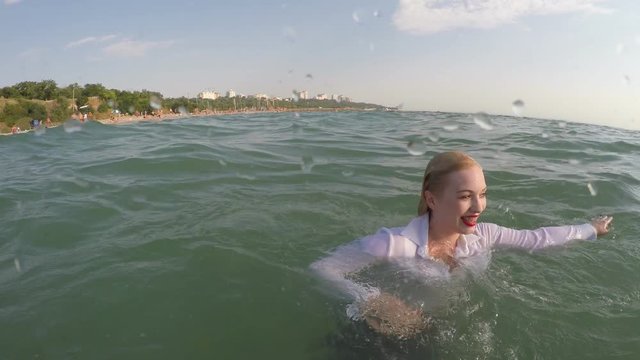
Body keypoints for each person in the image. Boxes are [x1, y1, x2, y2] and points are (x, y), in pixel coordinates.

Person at [310, 151, 613, 338]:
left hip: (433, 332)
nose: (478, 206)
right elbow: (322, 269)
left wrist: (591, 229)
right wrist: (371, 298)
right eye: (465, 196)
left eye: (483, 193)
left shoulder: (485, 236)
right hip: (376, 333)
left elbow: (537, 239)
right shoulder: (393, 244)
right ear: (431, 199)